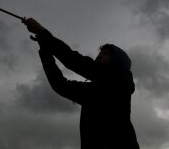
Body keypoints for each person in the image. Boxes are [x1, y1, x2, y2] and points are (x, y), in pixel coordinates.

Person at [23, 18, 140, 149]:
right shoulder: (94, 91)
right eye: (99, 54)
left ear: (119, 63)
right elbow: (60, 85)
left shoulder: (120, 79)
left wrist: (42, 32)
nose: (99, 56)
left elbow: (74, 60)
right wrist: (45, 51)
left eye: (106, 54)